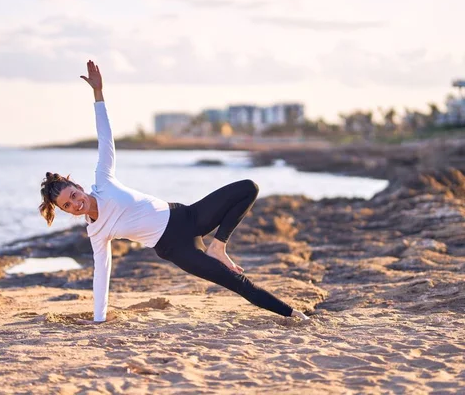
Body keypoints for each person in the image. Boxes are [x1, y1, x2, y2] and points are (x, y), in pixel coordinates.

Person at [39, 60, 309, 323]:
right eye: (67, 206)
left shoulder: (104, 180)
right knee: (235, 281)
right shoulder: (96, 233)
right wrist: (99, 318)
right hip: (176, 248)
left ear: (79, 187)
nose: (75, 203)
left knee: (248, 187)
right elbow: (102, 272)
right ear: (65, 211)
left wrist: (98, 93)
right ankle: (293, 314)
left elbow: (105, 138)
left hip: (187, 215)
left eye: (73, 195)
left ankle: (219, 245)